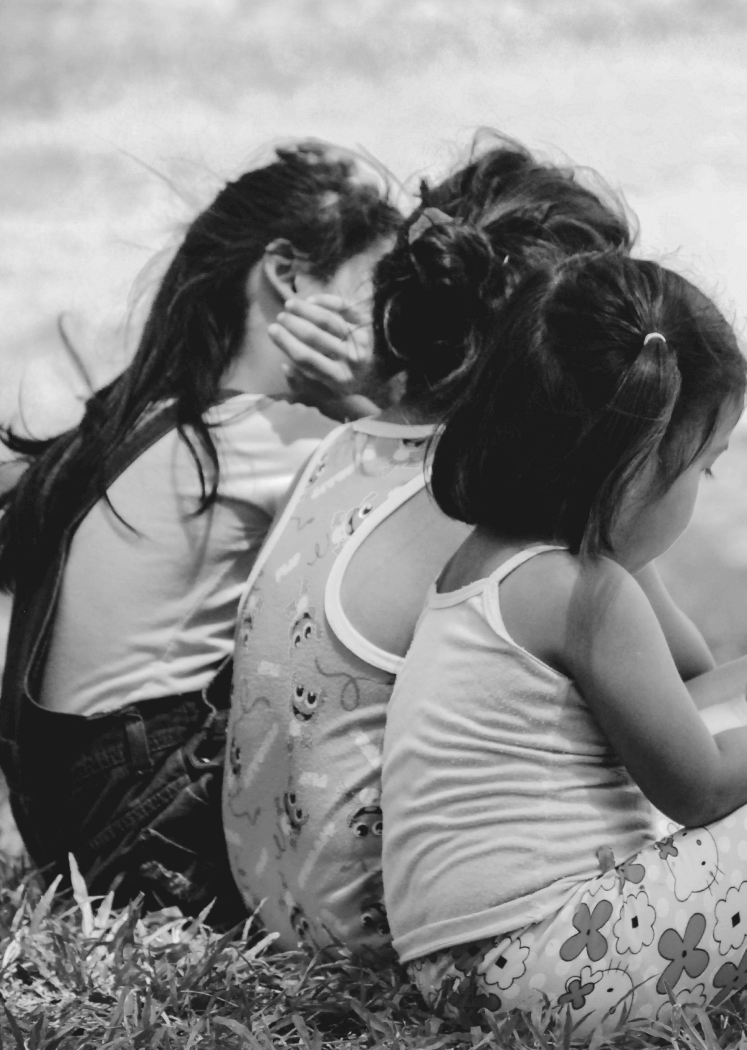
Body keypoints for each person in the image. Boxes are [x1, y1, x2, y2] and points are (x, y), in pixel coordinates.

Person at [381, 249, 747, 1047]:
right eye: (706, 466)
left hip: (470, 975)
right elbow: (699, 787)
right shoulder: (587, 592)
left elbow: (648, 733)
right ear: (633, 468)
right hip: (548, 970)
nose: (704, 487)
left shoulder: (486, 566)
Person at [223, 137, 672, 953]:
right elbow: (688, 695)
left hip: (277, 908)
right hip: (402, 936)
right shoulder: (496, 512)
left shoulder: (342, 445)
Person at [0, 142, 401, 927]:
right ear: (288, 275)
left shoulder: (151, 415)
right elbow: (440, 522)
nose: (386, 324)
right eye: (374, 288)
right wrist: (359, 402)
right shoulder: (267, 438)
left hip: (73, 825)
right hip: (150, 840)